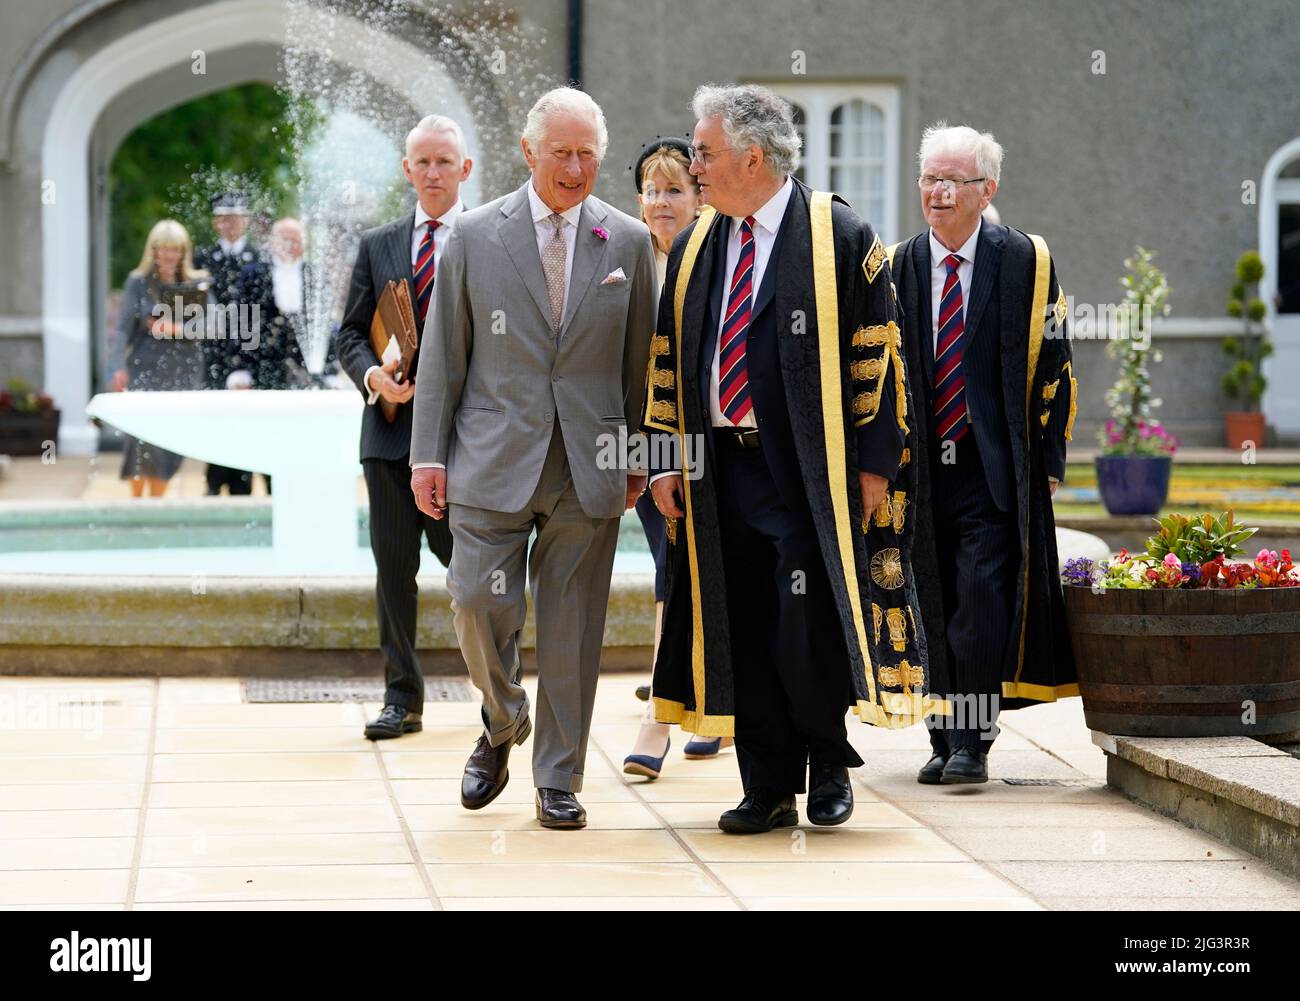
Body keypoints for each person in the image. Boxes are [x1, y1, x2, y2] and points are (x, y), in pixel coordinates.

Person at [644, 84, 933, 835]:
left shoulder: (836, 232)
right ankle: (766, 785)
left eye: (703, 153)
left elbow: (882, 353)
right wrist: (665, 458)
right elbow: (670, 353)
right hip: (718, 471)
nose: (693, 166)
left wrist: (874, 467)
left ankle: (828, 761)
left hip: (806, 472)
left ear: (751, 155)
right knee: (740, 621)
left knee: (803, 621)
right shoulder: (703, 240)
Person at [410, 87, 657, 829]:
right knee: (477, 602)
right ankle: (501, 718)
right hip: (490, 458)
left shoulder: (630, 243)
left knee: (573, 626)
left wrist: (639, 455)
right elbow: (442, 360)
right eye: (561, 152)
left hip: (590, 464)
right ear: (528, 152)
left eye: (588, 154)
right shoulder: (475, 236)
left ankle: (558, 776)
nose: (576, 167)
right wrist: (428, 455)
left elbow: (643, 365)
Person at [889, 123, 1077, 786]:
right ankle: (942, 735)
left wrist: (1049, 462)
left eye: (952, 180)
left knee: (980, 602)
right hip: (919, 473)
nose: (937, 192)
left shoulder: (1026, 260)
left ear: (986, 189)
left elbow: (1056, 361)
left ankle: (973, 740)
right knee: (930, 605)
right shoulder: (899, 264)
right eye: (928, 179)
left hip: (990, 468)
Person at [336, 115, 471, 740]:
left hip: (466, 440)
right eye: (424, 162)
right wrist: (373, 379)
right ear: (407, 170)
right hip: (389, 436)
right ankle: (402, 699)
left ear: (464, 168)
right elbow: (349, 333)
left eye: (445, 161)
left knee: (473, 571)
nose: (434, 172)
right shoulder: (378, 244)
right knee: (393, 572)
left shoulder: (488, 237)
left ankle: (502, 692)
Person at [622, 136, 732, 779]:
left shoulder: (718, 260)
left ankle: (671, 715)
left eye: (674, 190)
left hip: (711, 441)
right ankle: (687, 709)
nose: (661, 202)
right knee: (674, 568)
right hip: (647, 439)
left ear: (699, 196)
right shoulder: (630, 259)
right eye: (652, 190)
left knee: (697, 569)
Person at [111, 219, 208, 497]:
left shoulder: (195, 283)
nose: (169, 255)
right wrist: (117, 367)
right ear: (153, 250)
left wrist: (171, 327)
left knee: (171, 440)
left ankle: (157, 503)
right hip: (145, 369)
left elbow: (210, 327)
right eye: (164, 249)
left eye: (175, 249)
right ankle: (137, 503)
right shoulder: (138, 283)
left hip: (184, 371)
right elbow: (122, 330)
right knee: (140, 438)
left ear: (183, 251)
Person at [194, 192, 261, 495]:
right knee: (217, 416)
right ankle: (214, 477)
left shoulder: (259, 257)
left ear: (245, 220)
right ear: (215, 222)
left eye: (235, 217)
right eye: (224, 217)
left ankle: (242, 480)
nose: (230, 223)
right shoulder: (202, 260)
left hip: (250, 349)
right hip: (217, 351)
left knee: (248, 418)